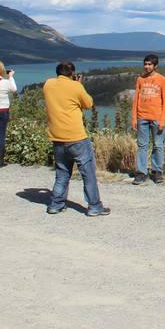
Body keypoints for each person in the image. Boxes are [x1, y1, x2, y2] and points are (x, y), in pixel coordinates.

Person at [43, 62, 110, 217]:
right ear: (72, 73)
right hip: (76, 136)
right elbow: (88, 103)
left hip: (57, 136)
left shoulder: (48, 84)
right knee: (88, 173)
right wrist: (78, 84)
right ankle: (94, 206)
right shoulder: (76, 86)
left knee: (62, 172)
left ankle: (56, 204)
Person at [132, 54, 165, 185]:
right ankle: (141, 173)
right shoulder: (140, 79)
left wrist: (163, 120)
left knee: (158, 145)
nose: (147, 66)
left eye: (150, 64)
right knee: (142, 145)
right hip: (142, 117)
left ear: (155, 66)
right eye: (145, 64)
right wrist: (134, 118)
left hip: (157, 118)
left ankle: (157, 172)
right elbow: (136, 99)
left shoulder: (162, 80)